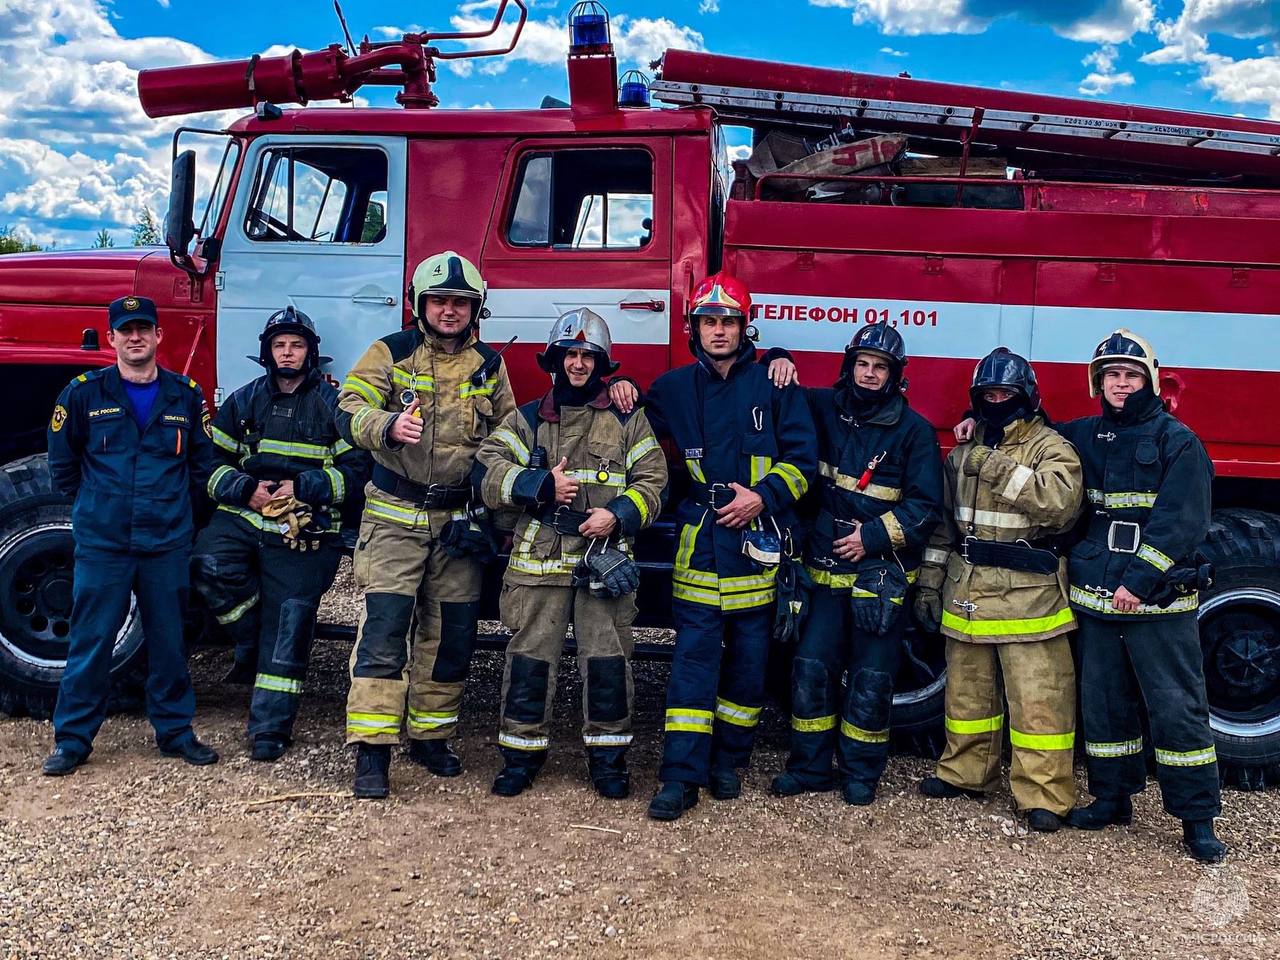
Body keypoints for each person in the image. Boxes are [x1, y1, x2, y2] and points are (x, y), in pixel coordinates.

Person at [617, 272, 816, 821]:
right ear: (693, 328)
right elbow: (629, 426)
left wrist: (764, 498)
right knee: (692, 666)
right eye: (710, 321)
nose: (720, 330)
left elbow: (803, 463)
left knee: (750, 670)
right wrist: (623, 387)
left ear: (744, 327)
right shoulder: (674, 388)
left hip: (756, 545)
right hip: (702, 545)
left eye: (729, 321)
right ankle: (681, 776)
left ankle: (728, 760)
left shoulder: (776, 384)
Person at [337, 251, 516, 799]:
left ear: (475, 308)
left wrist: (491, 509)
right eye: (440, 301)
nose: (450, 310)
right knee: (386, 629)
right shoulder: (391, 352)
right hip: (395, 516)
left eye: (460, 303)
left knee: (452, 636)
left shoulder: (489, 364)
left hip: (459, 522)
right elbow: (346, 406)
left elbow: (510, 435)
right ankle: (372, 750)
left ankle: (430, 737)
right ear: (421, 305)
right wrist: (386, 425)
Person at [474, 309, 667, 798]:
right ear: (555, 361)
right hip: (538, 561)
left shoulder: (628, 419)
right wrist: (538, 483)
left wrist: (619, 515)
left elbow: (654, 481)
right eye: (570, 355)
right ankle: (519, 757)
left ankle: (608, 761)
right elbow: (485, 470)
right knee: (529, 660)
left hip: (603, 561)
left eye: (588, 356)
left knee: (607, 661)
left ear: (601, 364)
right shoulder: (528, 418)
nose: (578, 364)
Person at [1059, 330, 1225, 862]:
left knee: (1177, 709)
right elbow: (1028, 437)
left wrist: (1139, 582)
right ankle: (1112, 798)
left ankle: (1197, 820)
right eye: (1111, 375)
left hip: (1157, 602)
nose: (1121, 384)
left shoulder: (1180, 442)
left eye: (1131, 375)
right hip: (1098, 596)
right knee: (1104, 706)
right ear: (1097, 382)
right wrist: (978, 427)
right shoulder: (1083, 434)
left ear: (1149, 380)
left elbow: (1182, 524)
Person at [42, 295, 219, 776]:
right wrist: (100, 508)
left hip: (164, 542)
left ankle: (176, 732)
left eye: (144, 328)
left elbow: (202, 467)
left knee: (168, 642)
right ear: (113, 337)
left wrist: (181, 518)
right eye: (126, 330)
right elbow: (63, 466)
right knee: (91, 640)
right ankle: (73, 740)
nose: (135, 337)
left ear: (159, 336)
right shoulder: (83, 394)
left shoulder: (185, 396)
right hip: (105, 544)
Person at [770, 325, 943, 806]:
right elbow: (773, 394)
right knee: (810, 671)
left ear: (895, 376)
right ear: (849, 367)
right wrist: (777, 356)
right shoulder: (822, 407)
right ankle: (808, 768)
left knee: (871, 682)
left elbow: (926, 507)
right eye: (862, 364)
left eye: (880, 367)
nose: (869, 374)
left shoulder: (915, 432)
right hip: (823, 573)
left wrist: (869, 538)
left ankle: (861, 773)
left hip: (878, 581)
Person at [191, 307, 370, 762]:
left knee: (289, 620)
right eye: (279, 345)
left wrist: (305, 488)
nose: (287, 353)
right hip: (245, 516)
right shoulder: (244, 399)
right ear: (266, 352)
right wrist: (244, 489)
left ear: (311, 353)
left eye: (296, 345)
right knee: (208, 565)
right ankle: (251, 642)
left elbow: (357, 472)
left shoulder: (334, 404)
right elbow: (209, 463)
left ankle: (269, 730)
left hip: (308, 525)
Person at [914, 348, 1082, 832]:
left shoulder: (1051, 446)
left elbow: (1060, 505)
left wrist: (993, 465)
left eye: (1005, 394)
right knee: (968, 697)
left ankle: (1045, 796)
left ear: (1027, 397)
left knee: (1039, 702)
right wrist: (929, 582)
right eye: (988, 394)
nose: (996, 401)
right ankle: (965, 773)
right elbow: (945, 527)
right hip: (967, 591)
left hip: (1029, 597)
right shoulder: (963, 451)